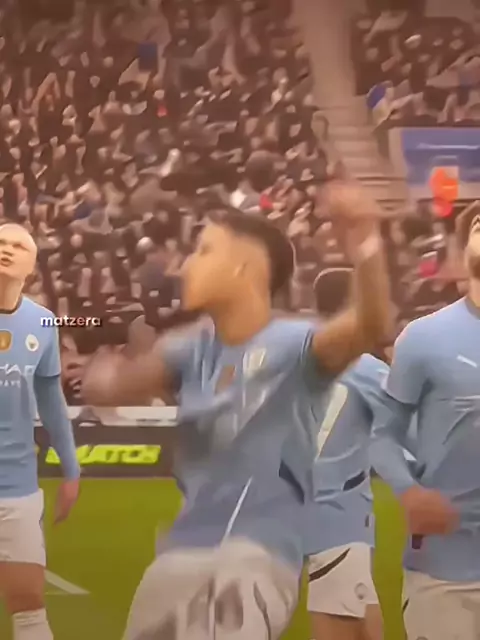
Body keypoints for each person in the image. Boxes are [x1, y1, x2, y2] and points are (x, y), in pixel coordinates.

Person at [82, 181, 392, 640]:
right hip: (179, 558)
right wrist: (102, 378)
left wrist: (366, 244)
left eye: (204, 250)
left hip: (250, 561)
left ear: (243, 267)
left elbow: (370, 325)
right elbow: (117, 385)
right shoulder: (189, 349)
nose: (185, 265)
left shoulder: (295, 346)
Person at [370, 201, 480, 640]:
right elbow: (382, 434)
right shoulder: (424, 337)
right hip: (443, 571)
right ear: (462, 252)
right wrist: (409, 491)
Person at [0, 224, 80, 640]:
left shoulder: (43, 323)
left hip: (16, 486)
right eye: (0, 242)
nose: (7, 249)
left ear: (31, 266)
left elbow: (51, 399)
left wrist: (71, 469)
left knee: (29, 603)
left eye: (18, 245)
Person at [304, 268, 386, 640]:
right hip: (336, 513)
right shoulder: (363, 367)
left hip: (294, 504)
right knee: (337, 623)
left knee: (363, 609)